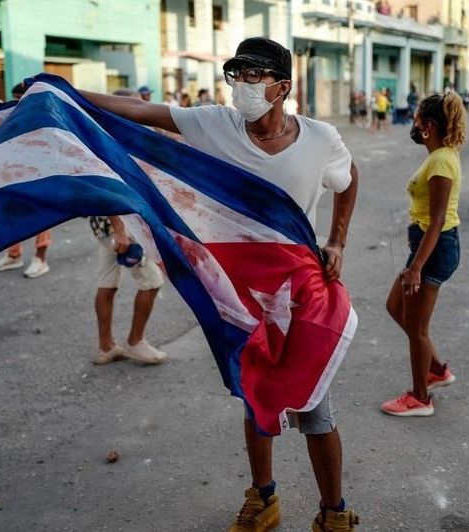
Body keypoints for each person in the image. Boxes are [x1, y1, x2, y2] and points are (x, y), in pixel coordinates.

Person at [76, 36, 360, 531]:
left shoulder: (319, 138)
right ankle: (264, 498)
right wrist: (70, 94)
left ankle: (332, 511)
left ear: (282, 87)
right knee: (253, 393)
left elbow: (349, 175)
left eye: (254, 75)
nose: (242, 86)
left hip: (300, 293)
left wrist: (336, 240)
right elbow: (144, 113)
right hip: (242, 295)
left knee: (315, 406)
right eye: (237, 75)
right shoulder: (213, 124)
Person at [381, 91, 466, 418]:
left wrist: (416, 267)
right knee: (395, 306)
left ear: (429, 125)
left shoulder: (442, 160)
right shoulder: (438, 156)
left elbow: (439, 218)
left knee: (417, 326)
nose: (413, 125)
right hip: (427, 247)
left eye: (417, 119)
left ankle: (420, 397)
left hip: (435, 249)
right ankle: (437, 370)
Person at [0, 82, 54, 278]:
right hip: (15, 174)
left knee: (41, 218)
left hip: (41, 174)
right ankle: (14, 254)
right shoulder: (11, 117)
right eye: (15, 98)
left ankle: (40, 259)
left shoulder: (45, 117)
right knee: (11, 213)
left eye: (21, 98)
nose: (18, 103)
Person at [86, 215, 168, 365]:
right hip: (121, 225)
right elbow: (112, 191)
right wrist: (119, 230)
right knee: (152, 282)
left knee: (106, 281)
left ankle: (106, 347)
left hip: (102, 224)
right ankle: (135, 343)